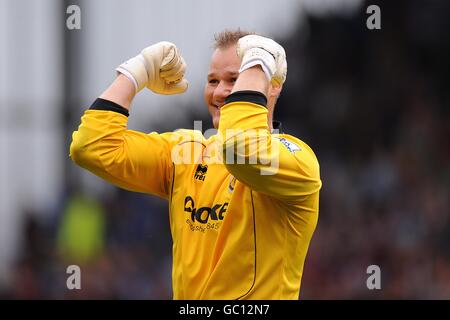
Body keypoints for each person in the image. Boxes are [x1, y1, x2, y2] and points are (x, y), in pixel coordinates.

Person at [70, 29, 321, 299]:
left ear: (271, 85)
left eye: (235, 79)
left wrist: (259, 61)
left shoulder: (297, 161)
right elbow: (91, 147)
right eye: (213, 80)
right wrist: (135, 72)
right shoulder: (187, 154)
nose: (220, 92)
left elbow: (240, 147)